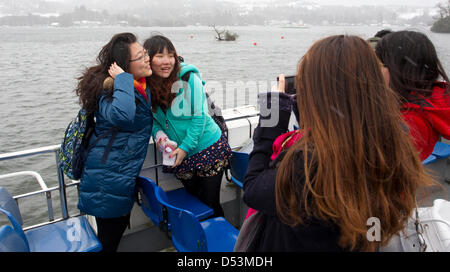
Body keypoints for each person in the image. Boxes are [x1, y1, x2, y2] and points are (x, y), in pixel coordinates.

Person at [243, 35, 435, 251]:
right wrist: (309, 110)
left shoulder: (308, 165)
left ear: (319, 92)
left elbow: (253, 189)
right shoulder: (393, 138)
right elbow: (339, 126)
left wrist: (272, 117)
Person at [76, 32, 153, 252]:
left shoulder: (140, 85)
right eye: (140, 56)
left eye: (145, 52)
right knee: (108, 243)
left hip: (119, 175)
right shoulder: (109, 91)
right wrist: (122, 79)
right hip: (106, 180)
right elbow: (123, 116)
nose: (147, 58)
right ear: (123, 66)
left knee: (112, 237)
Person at [143, 34, 232, 218]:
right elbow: (153, 121)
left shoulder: (188, 77)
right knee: (194, 205)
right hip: (179, 156)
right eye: (160, 56)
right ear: (148, 59)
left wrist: (184, 147)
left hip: (208, 147)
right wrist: (161, 137)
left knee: (210, 204)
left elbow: (199, 117)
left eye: (170, 55)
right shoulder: (146, 87)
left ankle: (220, 241)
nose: (166, 61)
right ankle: (198, 243)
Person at [375, 31, 450, 160]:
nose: (373, 70)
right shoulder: (433, 98)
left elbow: (381, 166)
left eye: (379, 64)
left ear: (397, 69)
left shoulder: (410, 120)